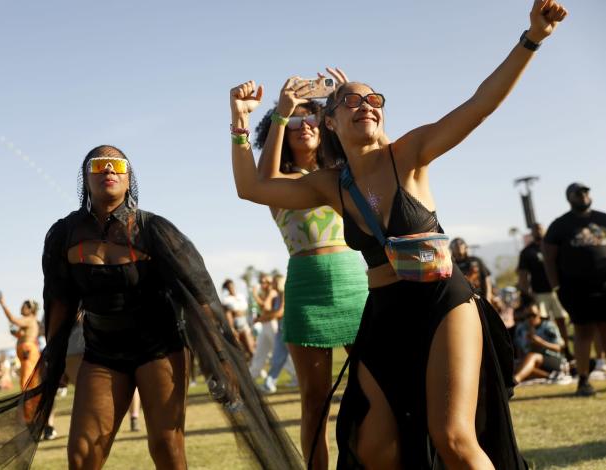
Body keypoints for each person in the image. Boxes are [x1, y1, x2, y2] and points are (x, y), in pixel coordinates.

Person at [230, 2, 567, 466]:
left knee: (452, 437)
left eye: (373, 99)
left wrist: (532, 39)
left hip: (441, 301)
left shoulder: (410, 152)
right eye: (350, 100)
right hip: (385, 313)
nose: (365, 105)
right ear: (330, 121)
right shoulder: (333, 183)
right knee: (372, 446)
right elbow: (252, 188)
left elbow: (479, 105)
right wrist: (242, 121)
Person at [0, 145, 302, 470]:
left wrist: (222, 357)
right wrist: (51, 357)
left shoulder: (154, 229)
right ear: (86, 178)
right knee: (82, 454)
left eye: (118, 165)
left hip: (160, 347)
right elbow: (59, 300)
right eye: (98, 165)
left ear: (129, 179)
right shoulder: (64, 233)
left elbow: (200, 295)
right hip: (102, 351)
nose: (108, 169)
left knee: (167, 448)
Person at [252, 70, 368, 468]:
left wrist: (346, 103)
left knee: (377, 388)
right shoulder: (277, 181)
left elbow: (370, 148)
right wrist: (281, 114)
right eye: (295, 121)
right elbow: (259, 177)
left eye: (312, 118)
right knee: (314, 401)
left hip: (357, 284)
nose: (305, 126)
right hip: (306, 289)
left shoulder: (343, 172)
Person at [543, 182, 606, 397]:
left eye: (586, 192)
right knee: (583, 332)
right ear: (569, 198)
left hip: (604, 286)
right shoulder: (560, 225)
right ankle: (584, 380)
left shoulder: (602, 219)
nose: (584, 195)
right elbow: (549, 259)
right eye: (578, 193)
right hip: (576, 289)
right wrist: (556, 287)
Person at [517, 223, 571, 358]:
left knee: (561, 321)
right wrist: (528, 295)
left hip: (557, 291)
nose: (538, 231)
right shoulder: (527, 252)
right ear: (532, 232)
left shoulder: (553, 247)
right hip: (539, 293)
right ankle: (549, 355)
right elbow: (523, 275)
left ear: (545, 230)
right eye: (535, 229)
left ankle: (567, 353)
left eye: (540, 228)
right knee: (543, 322)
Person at [513, 296, 566, 384]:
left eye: (533, 315)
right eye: (527, 316)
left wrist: (541, 342)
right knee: (514, 365)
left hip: (552, 358)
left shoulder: (548, 326)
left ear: (539, 313)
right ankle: (550, 376)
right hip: (530, 361)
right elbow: (519, 350)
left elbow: (559, 348)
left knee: (532, 356)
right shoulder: (521, 329)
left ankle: (514, 381)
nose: (530, 318)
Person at [261, 273, 297, 394]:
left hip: (288, 329)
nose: (273, 284)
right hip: (281, 331)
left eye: (275, 282)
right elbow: (267, 309)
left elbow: (280, 313)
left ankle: (269, 383)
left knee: (290, 358)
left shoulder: (285, 294)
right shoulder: (277, 296)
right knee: (277, 358)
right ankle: (269, 384)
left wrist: (263, 318)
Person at [0, 293, 41, 392]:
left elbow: (13, 320)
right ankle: (31, 402)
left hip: (28, 351)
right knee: (28, 378)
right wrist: (15, 333)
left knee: (27, 379)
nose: (21, 308)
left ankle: (30, 403)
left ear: (30, 310)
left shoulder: (29, 320)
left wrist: (3, 304)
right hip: (27, 351)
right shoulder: (28, 322)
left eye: (24, 307)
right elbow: (22, 335)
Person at [221, 279, 255, 359]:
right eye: (229, 287)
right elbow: (228, 314)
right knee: (238, 349)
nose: (231, 288)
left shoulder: (241, 296)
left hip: (244, 323)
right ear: (227, 288)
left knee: (250, 348)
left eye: (232, 286)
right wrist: (232, 328)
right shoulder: (226, 300)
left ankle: (254, 367)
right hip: (234, 325)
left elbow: (244, 311)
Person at [451, 237, 493, 302]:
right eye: (455, 244)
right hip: (462, 300)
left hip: (480, 298)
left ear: (465, 247)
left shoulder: (476, 261)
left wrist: (488, 298)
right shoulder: (451, 265)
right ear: (451, 249)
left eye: (461, 243)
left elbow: (486, 279)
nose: (458, 245)